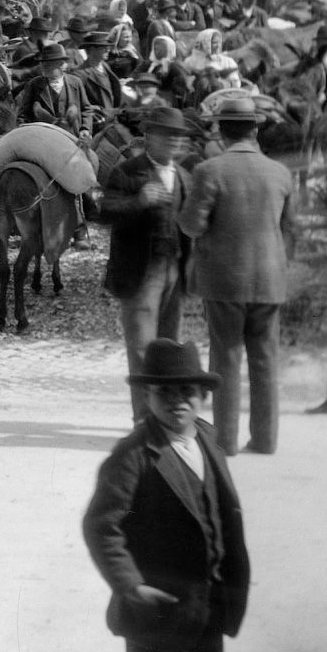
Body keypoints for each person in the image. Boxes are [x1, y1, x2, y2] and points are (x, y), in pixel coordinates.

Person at [82, 339, 251, 652]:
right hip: (157, 610)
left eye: (187, 391)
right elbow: (102, 526)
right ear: (147, 396)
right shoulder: (134, 454)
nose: (177, 401)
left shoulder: (206, 437)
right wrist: (131, 584)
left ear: (203, 394)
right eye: (164, 392)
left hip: (208, 603)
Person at [177, 96, 294, 456]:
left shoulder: (209, 171)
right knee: (265, 362)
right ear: (256, 130)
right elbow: (290, 230)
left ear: (221, 131)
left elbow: (193, 226)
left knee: (225, 359)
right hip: (271, 281)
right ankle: (265, 440)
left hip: (224, 281)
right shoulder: (281, 172)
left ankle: (225, 442)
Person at [100, 107, 194, 420]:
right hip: (140, 273)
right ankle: (144, 419)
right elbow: (105, 213)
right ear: (149, 137)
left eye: (179, 137)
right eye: (168, 136)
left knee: (170, 349)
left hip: (174, 272)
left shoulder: (184, 176)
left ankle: (165, 415)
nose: (175, 143)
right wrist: (138, 202)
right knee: (142, 350)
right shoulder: (127, 171)